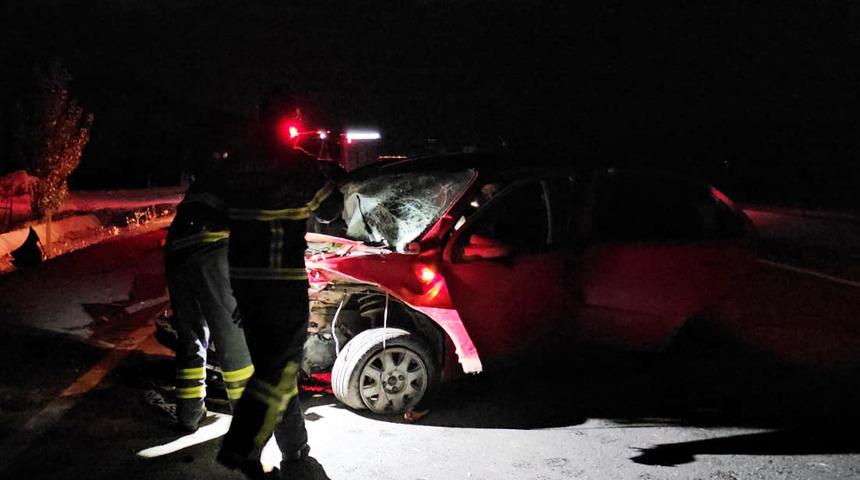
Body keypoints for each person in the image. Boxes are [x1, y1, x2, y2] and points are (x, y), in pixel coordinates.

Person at [216, 89, 341, 479]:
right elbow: (332, 210)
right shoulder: (299, 164)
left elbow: (225, 216)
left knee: (274, 369)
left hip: (245, 284)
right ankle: (245, 448)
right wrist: (327, 174)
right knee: (281, 370)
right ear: (292, 122)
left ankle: (295, 454)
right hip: (282, 285)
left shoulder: (236, 163)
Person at [164, 165, 254, 432]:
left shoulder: (213, 176)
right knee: (232, 342)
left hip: (176, 249)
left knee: (190, 338)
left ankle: (189, 414)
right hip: (212, 245)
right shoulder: (251, 177)